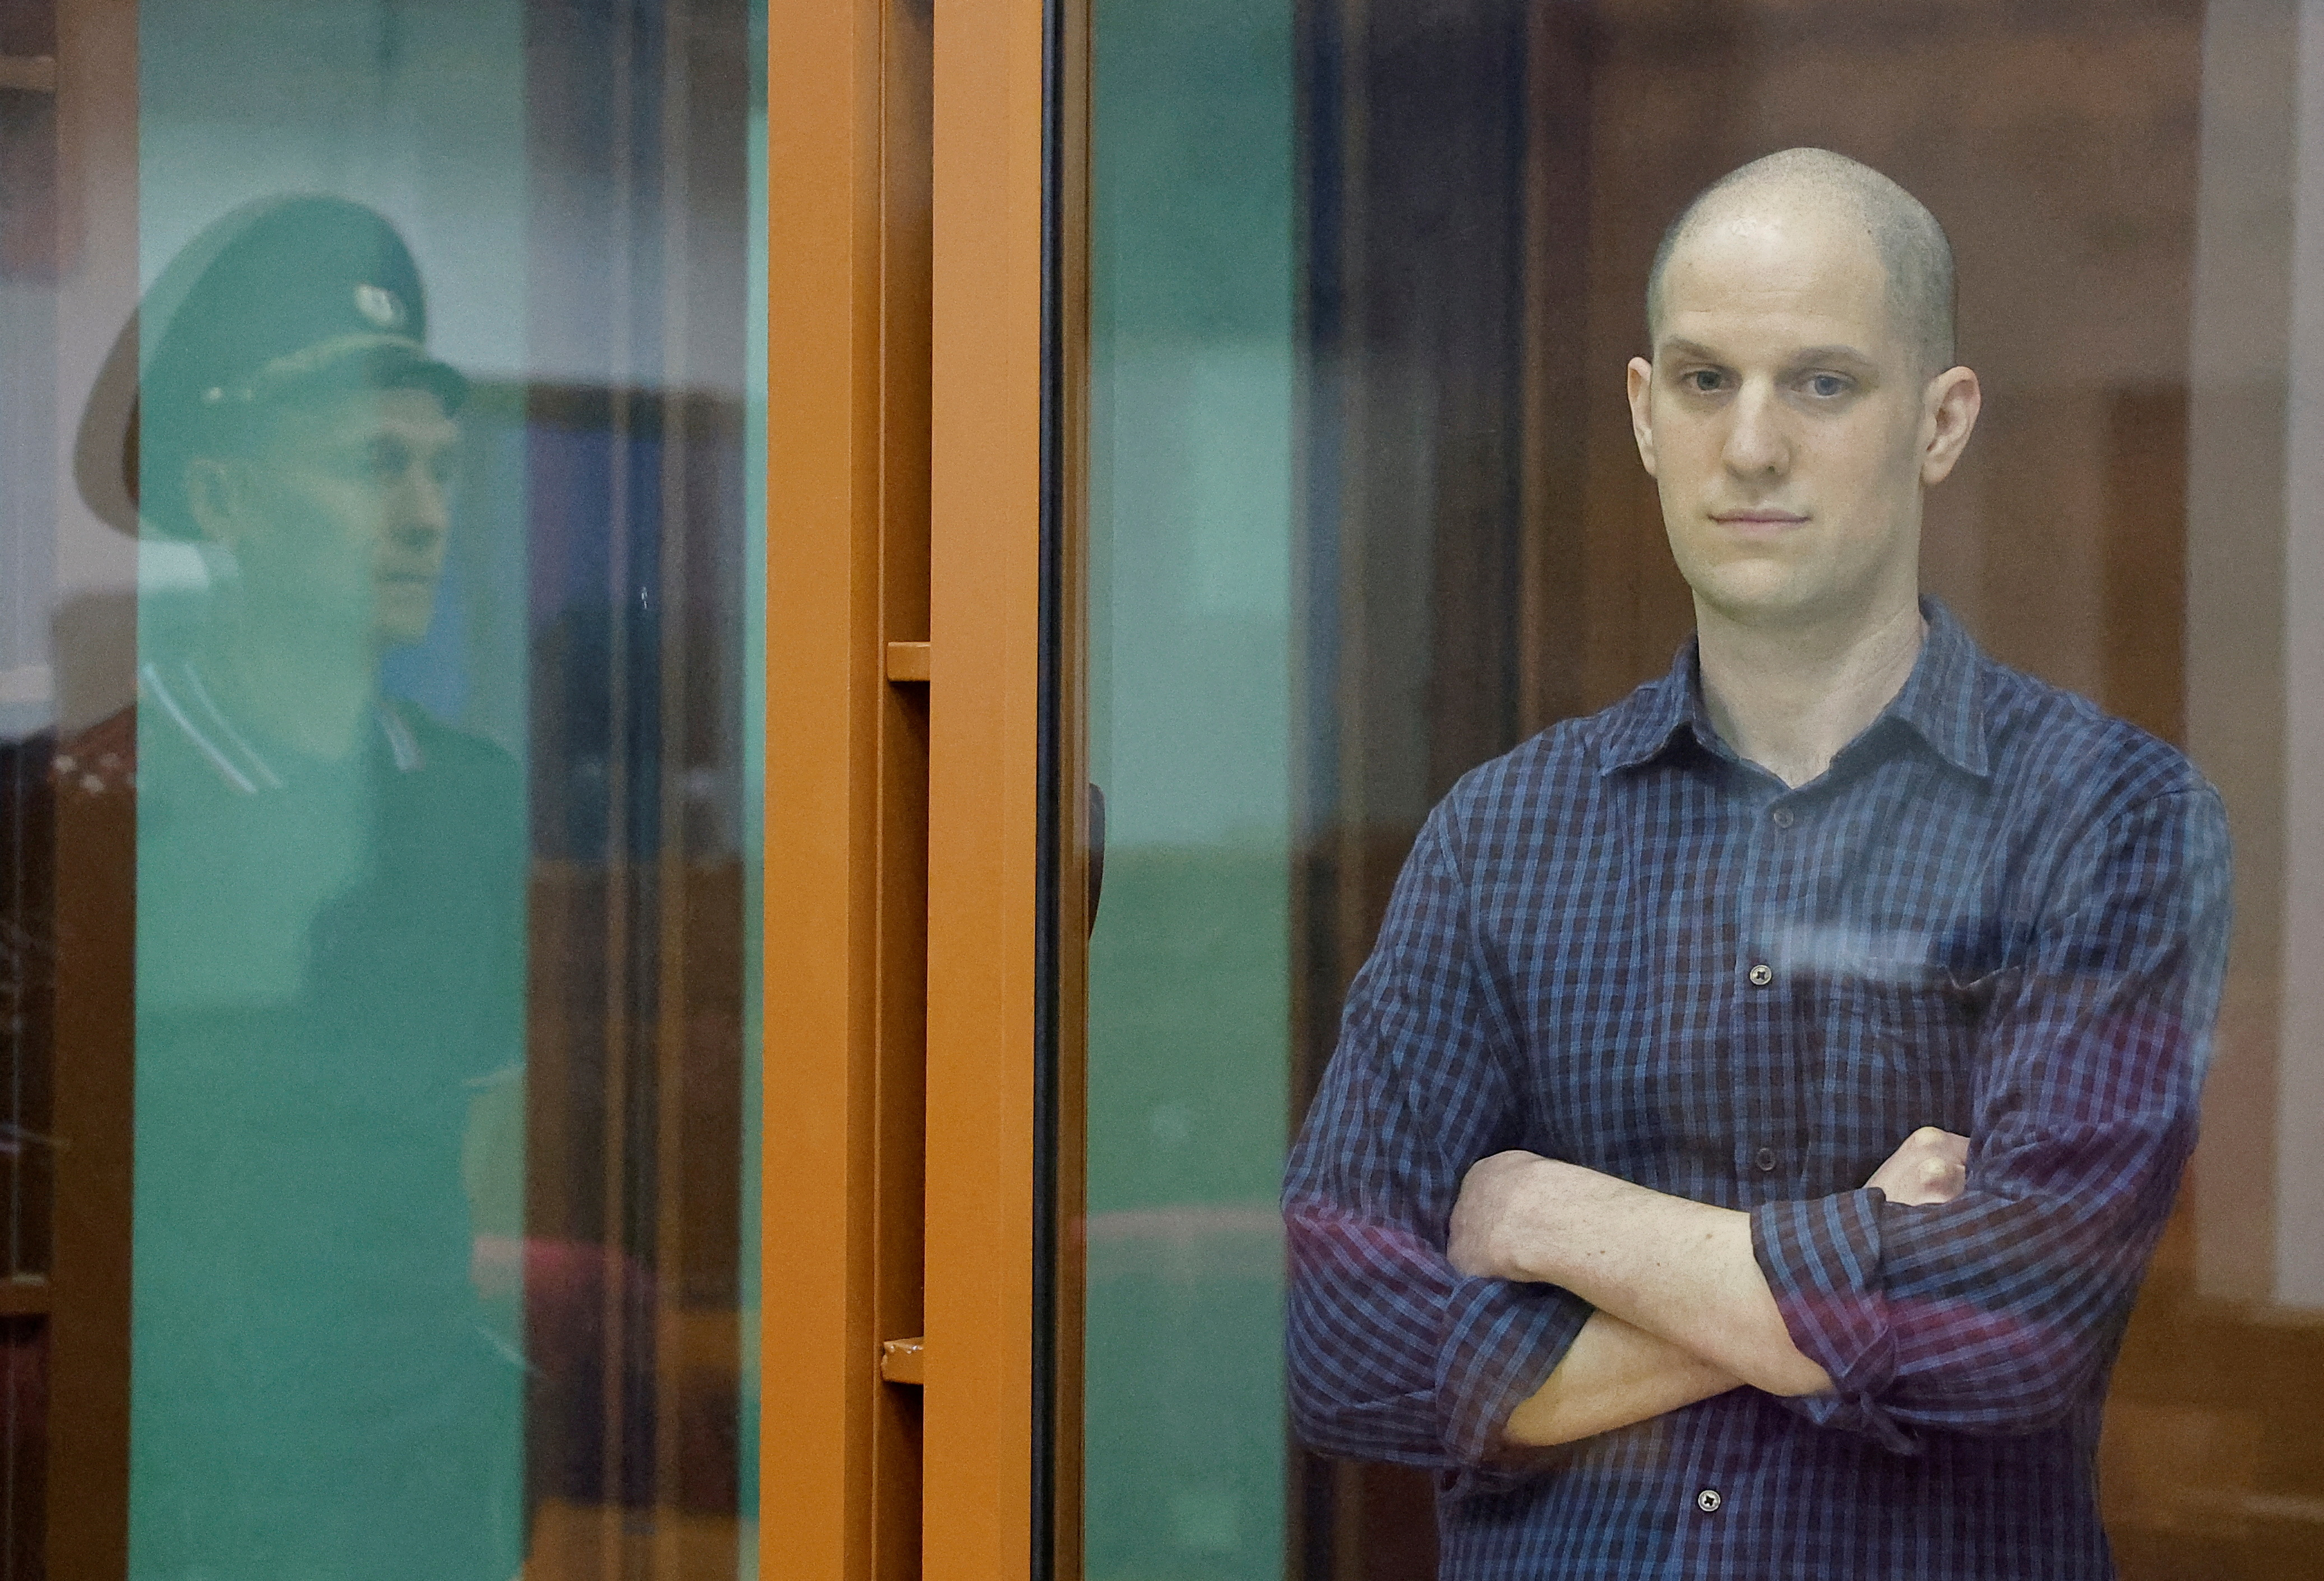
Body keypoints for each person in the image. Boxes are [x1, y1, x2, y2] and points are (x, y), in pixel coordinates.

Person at [1283, 147, 2230, 1579]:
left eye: (1825, 383)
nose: (1753, 445)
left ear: (1941, 420)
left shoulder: (2109, 818)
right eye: (1707, 379)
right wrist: (1862, 1257)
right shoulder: (1500, 835)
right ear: (1646, 413)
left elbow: (2013, 1334)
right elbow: (1335, 1335)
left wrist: (1555, 1215)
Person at [66, 195, 529, 1581]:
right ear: (224, 501)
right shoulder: (92, 807)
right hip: (184, 1493)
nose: (424, 516)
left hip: (420, 1483)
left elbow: (483, 1158)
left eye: (443, 468)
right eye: (371, 464)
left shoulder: (465, 800)